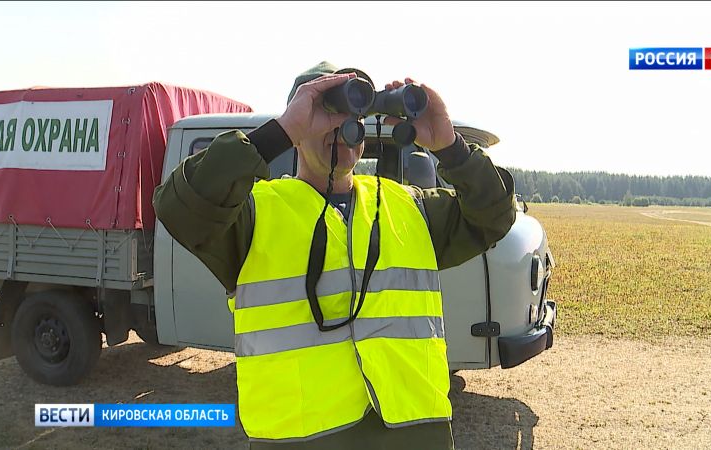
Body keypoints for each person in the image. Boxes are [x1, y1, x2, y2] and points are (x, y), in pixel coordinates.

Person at [153, 61, 517, 449]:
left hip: (414, 434)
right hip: (303, 438)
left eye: (352, 111)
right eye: (325, 110)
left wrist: (450, 145)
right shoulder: (251, 216)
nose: (338, 127)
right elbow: (180, 207)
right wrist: (280, 132)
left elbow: (495, 215)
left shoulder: (409, 209)